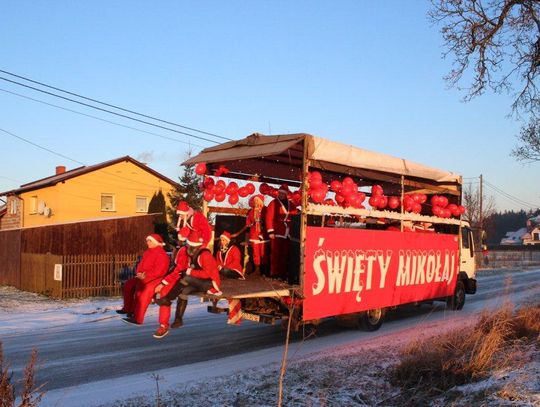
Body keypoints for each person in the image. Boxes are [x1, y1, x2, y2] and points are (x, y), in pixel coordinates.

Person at [152, 230, 221, 338]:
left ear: (194, 246)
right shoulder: (192, 254)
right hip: (198, 281)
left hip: (209, 283)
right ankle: (178, 320)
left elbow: (208, 274)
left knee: (187, 277)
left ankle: (168, 298)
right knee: (183, 291)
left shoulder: (205, 255)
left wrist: (191, 272)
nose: (186, 246)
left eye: (188, 244)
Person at [121, 234, 170, 326]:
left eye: (150, 241)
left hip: (156, 278)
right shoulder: (147, 252)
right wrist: (139, 273)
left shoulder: (162, 254)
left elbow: (160, 271)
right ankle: (128, 309)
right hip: (143, 276)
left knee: (144, 292)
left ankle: (138, 319)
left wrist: (146, 275)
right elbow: (140, 265)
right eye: (147, 241)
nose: (147, 242)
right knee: (128, 284)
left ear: (155, 242)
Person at [265, 184, 294, 279]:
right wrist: (270, 231)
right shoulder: (273, 203)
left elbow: (295, 213)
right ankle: (274, 273)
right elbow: (269, 217)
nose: (281, 195)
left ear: (286, 194)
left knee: (285, 253)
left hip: (287, 232)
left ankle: (283, 272)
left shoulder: (291, 204)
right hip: (277, 230)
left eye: (283, 193)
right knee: (275, 253)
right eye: (280, 193)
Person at [246, 194, 268, 275]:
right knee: (255, 252)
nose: (256, 202)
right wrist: (251, 224)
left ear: (261, 202)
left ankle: (264, 270)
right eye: (255, 200)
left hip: (263, 233)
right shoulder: (251, 211)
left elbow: (268, 220)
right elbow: (248, 222)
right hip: (254, 233)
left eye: (258, 200)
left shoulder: (265, 210)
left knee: (263, 252)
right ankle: (257, 269)